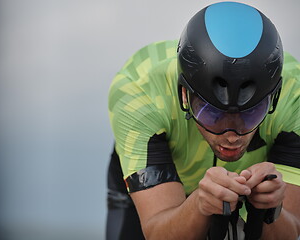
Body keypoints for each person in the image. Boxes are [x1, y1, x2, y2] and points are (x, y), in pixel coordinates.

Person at [106, 2, 300, 240]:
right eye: (212, 113)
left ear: (273, 100)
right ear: (184, 95)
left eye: (251, 113)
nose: (231, 135)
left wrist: (272, 209)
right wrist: (198, 203)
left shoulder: (296, 98)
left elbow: (290, 231)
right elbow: (157, 231)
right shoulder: (139, 90)